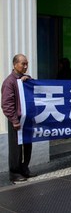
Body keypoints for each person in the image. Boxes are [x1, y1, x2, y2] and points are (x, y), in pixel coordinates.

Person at [1, 54, 36, 183]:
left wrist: (29, 81)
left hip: (27, 119)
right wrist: (14, 120)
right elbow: (7, 104)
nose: (26, 66)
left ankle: (24, 168)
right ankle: (14, 173)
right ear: (15, 64)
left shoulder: (26, 80)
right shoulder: (9, 82)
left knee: (27, 145)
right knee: (16, 147)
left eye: (27, 63)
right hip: (16, 120)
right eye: (23, 64)